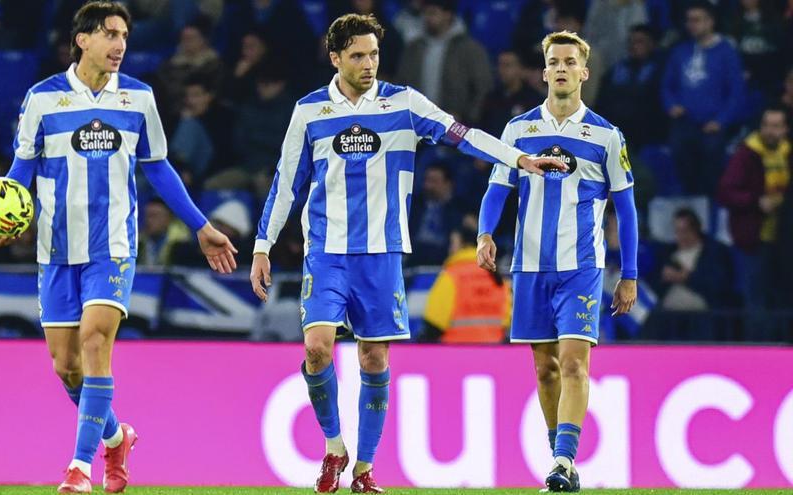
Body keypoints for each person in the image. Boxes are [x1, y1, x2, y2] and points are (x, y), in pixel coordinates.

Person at [248, 13, 564, 494]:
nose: (369, 63)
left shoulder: (404, 104)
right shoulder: (310, 111)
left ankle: (364, 470)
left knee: (374, 359)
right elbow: (285, 183)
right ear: (335, 58)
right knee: (316, 348)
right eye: (357, 55)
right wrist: (262, 246)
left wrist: (516, 157)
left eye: (374, 53)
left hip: (383, 255)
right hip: (327, 253)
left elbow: (462, 134)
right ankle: (334, 446)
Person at [0, 3, 238, 493]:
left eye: (124, 36)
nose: (119, 45)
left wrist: (200, 225)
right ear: (82, 40)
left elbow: (157, 166)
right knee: (66, 365)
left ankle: (79, 467)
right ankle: (117, 436)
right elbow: (21, 171)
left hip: (113, 245)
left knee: (96, 343)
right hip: (56, 248)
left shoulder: (138, 97)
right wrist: (3, 215)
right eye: (110, 34)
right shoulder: (42, 99)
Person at [476, 30, 638, 492]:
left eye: (570, 61)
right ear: (544, 71)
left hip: (581, 267)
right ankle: (559, 461)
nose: (562, 68)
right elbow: (497, 189)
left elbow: (625, 209)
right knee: (545, 368)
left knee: (572, 363)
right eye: (554, 61)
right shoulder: (518, 130)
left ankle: (565, 462)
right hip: (529, 267)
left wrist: (628, 275)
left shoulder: (606, 136)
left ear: (584, 72)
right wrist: (485, 233)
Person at [717, 107, 790, 339]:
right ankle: (758, 352)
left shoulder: (788, 154)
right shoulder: (747, 154)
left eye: (776, 126)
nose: (771, 131)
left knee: (782, 298)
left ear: (786, 129)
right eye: (767, 125)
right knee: (755, 301)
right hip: (753, 241)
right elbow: (725, 192)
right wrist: (756, 202)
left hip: (783, 242)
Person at [661, 1, 745, 196]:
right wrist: (671, 105)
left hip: (713, 123)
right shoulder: (680, 50)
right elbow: (667, 85)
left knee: (711, 161)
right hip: (685, 121)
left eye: (697, 20)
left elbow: (737, 92)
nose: (692, 25)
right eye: (689, 20)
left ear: (710, 22)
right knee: (679, 153)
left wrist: (721, 121)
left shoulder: (727, 51)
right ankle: (689, 203)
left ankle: (710, 206)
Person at [419, 216, 511, 343]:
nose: (450, 249)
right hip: (494, 353)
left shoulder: (451, 276)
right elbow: (508, 321)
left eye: (453, 243)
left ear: (463, 244)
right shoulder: (497, 275)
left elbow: (434, 324)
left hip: (456, 354)